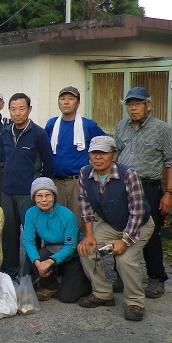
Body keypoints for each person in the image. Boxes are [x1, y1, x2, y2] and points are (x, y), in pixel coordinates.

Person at [77, 136, 154, 322]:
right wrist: (89, 235)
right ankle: (103, 292)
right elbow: (85, 206)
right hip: (112, 224)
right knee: (85, 249)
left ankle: (135, 302)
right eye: (94, 153)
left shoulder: (128, 174)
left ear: (114, 155)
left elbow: (137, 211)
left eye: (103, 153)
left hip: (138, 225)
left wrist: (125, 241)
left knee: (124, 259)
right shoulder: (85, 173)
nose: (98, 157)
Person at [114, 87, 172, 299]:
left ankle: (156, 278)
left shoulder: (162, 129)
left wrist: (168, 192)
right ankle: (120, 275)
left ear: (148, 106)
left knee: (149, 233)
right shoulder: (121, 127)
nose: (133, 108)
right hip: (123, 186)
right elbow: (114, 155)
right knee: (121, 230)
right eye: (130, 104)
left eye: (138, 104)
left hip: (148, 187)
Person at [0, 92, 55, 279]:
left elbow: (48, 163)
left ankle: (31, 275)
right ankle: (10, 272)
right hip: (8, 191)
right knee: (8, 234)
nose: (17, 113)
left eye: (21, 109)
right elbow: (2, 161)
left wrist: (41, 191)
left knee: (31, 236)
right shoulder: (5, 133)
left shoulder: (39, 134)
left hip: (29, 193)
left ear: (29, 110)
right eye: (13, 109)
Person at [44, 86, 105, 234]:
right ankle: (57, 256)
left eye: (71, 99)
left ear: (78, 104)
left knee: (80, 223)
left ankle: (81, 256)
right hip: (56, 181)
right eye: (63, 99)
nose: (66, 102)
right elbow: (44, 149)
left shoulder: (88, 125)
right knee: (55, 223)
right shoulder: (52, 124)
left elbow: (105, 147)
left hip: (78, 182)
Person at [23, 177, 91, 303]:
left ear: (54, 196)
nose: (44, 200)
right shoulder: (31, 213)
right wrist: (38, 263)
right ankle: (51, 286)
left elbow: (70, 246)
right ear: (34, 198)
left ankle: (85, 281)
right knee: (37, 256)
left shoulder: (67, 215)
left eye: (48, 195)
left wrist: (50, 262)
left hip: (73, 254)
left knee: (67, 297)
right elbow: (28, 241)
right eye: (39, 196)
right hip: (52, 249)